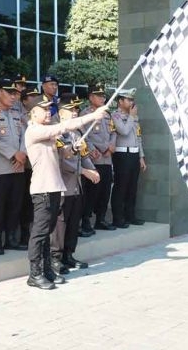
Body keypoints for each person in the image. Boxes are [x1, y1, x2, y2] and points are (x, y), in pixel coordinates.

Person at [24, 97, 108, 290]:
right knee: (39, 233)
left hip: (54, 187)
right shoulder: (35, 130)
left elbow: (62, 154)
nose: (47, 112)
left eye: (49, 110)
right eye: (43, 110)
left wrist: (72, 149)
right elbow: (61, 128)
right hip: (42, 188)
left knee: (46, 232)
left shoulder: (47, 132)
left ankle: (46, 270)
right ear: (33, 113)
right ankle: (34, 273)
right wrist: (92, 116)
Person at [50, 94, 100, 274]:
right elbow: (61, 161)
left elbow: (84, 154)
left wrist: (92, 169)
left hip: (76, 185)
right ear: (62, 112)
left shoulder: (77, 131)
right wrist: (84, 172)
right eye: (72, 109)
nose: (75, 112)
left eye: (76, 109)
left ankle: (68, 255)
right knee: (60, 223)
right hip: (62, 185)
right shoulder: (55, 130)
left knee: (73, 221)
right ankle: (55, 258)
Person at [0, 78, 28, 254]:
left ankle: (11, 239)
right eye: (10, 93)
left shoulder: (17, 115)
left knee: (15, 204)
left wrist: (22, 153)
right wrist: (13, 153)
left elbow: (25, 136)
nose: (13, 96)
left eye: (15, 93)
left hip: (19, 167)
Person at [80, 83, 116, 233]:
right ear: (91, 97)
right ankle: (86, 220)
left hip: (107, 158)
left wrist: (111, 146)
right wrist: (95, 148)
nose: (102, 98)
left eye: (103, 95)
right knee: (92, 191)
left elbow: (113, 132)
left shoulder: (107, 114)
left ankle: (100, 219)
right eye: (99, 95)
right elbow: (83, 135)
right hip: (94, 159)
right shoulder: (85, 114)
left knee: (105, 190)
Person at [111, 89, 147, 229]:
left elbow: (138, 137)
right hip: (122, 155)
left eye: (132, 100)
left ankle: (130, 216)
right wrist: (131, 117)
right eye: (128, 99)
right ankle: (118, 218)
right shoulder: (115, 115)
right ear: (120, 101)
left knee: (132, 187)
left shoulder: (133, 117)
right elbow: (124, 131)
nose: (131, 102)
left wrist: (141, 156)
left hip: (134, 154)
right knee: (121, 187)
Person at [18, 87, 42, 246]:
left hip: (39, 164)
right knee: (26, 201)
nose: (36, 98)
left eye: (37, 95)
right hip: (26, 164)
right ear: (25, 100)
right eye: (32, 96)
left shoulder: (44, 115)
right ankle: (25, 233)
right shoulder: (20, 117)